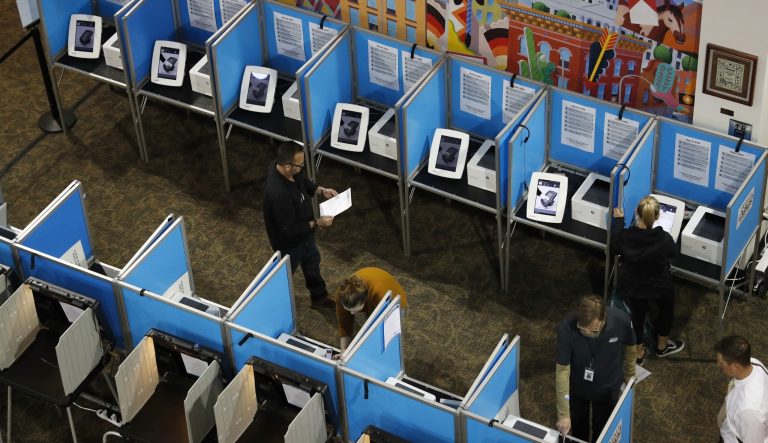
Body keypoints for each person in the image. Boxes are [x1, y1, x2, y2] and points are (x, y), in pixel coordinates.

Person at [263, 142, 338, 308]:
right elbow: (290, 230)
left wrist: (320, 190)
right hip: (289, 244)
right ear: (288, 166)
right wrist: (317, 223)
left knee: (312, 261)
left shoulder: (285, 169)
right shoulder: (278, 194)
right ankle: (272, 306)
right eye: (300, 164)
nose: (302, 167)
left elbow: (302, 180)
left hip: (305, 234)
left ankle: (319, 297)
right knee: (284, 275)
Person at [611, 196, 683, 364]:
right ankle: (662, 346)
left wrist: (620, 222)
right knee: (666, 309)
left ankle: (639, 352)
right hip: (659, 284)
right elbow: (673, 254)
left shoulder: (625, 236)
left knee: (637, 316)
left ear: (636, 212)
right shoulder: (664, 239)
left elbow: (614, 248)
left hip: (633, 284)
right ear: (657, 217)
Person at [556, 295, 635, 443]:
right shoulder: (567, 327)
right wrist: (563, 415)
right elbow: (562, 371)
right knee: (578, 429)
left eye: (594, 329)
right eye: (582, 328)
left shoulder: (621, 320)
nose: (587, 333)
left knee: (603, 430)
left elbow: (631, 347)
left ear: (603, 318)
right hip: (578, 388)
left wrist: (630, 373)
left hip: (607, 389)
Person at [334, 267, 408, 351]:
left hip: (395, 301)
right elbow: (344, 323)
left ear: (365, 300)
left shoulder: (379, 298)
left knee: (388, 338)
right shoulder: (341, 295)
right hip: (374, 290)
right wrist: (344, 350)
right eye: (348, 309)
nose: (351, 313)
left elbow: (377, 331)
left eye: (355, 309)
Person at [715, 335, 768, 443]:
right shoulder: (754, 363)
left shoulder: (748, 411)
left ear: (735, 366)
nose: (718, 365)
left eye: (721, 363)